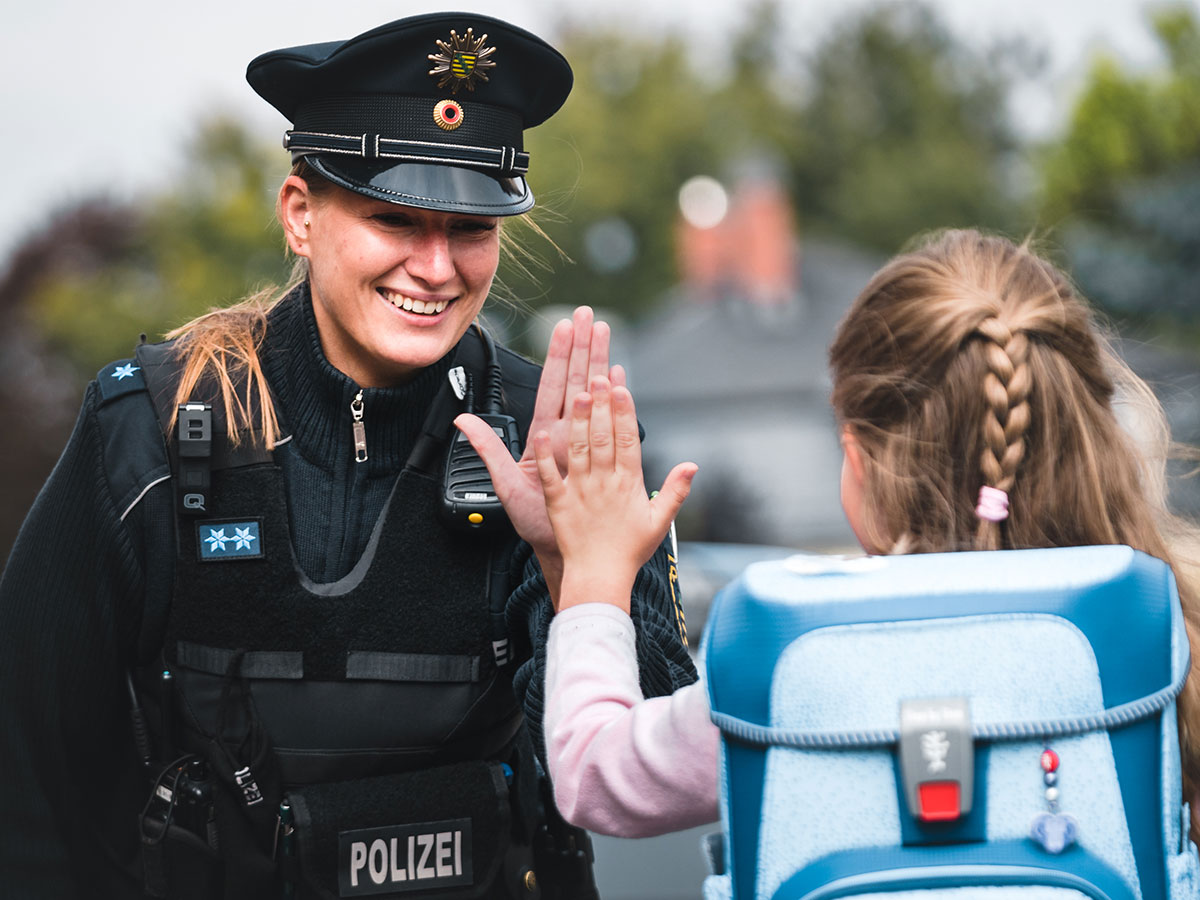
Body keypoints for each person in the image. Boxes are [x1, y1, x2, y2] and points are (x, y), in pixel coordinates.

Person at [0, 12, 695, 899]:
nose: (436, 268)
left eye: (471, 228)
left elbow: (644, 771)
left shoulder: (556, 439)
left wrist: (577, 580)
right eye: (395, 219)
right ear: (301, 214)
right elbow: (26, 779)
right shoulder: (150, 431)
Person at [527, 228, 1200, 844]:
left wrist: (591, 570)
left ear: (860, 460)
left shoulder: (789, 644)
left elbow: (596, 776)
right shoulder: (1169, 625)